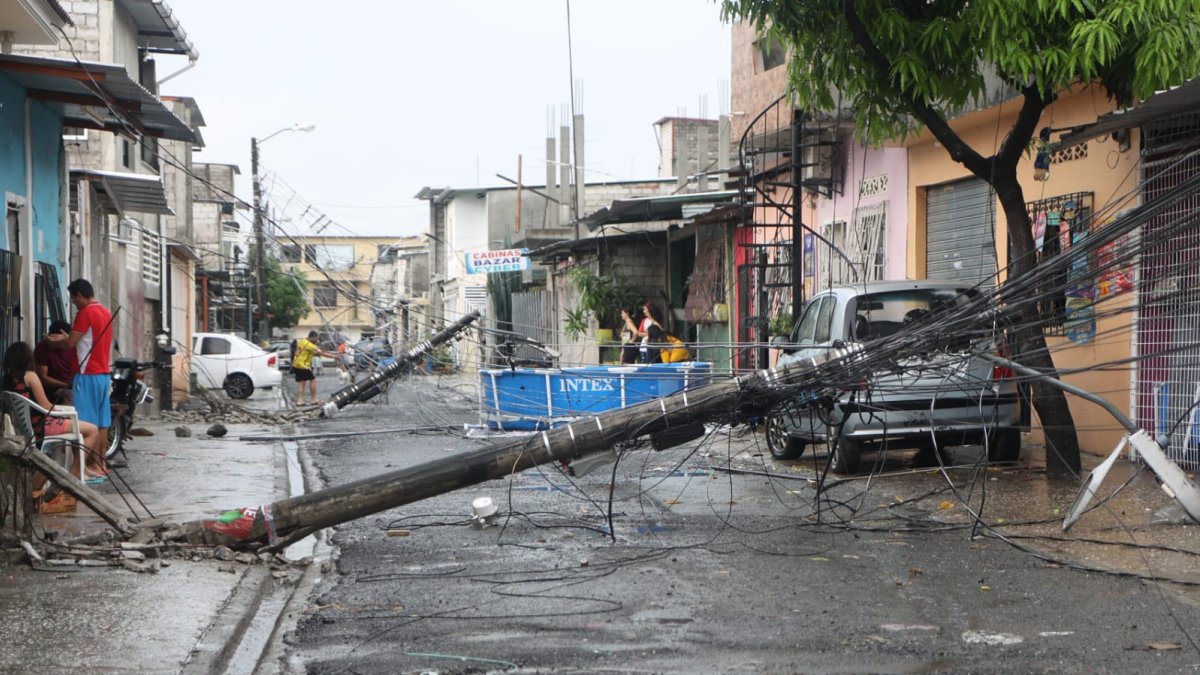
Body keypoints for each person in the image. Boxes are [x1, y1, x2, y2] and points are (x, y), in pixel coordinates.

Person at [3, 341, 100, 480]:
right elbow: (46, 406)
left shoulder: (6, 380)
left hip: (23, 427)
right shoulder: (30, 376)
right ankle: (75, 472)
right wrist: (64, 411)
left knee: (76, 426)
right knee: (92, 430)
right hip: (42, 426)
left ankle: (81, 468)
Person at [46, 278, 113, 478]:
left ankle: (82, 468)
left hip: (87, 375)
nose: (74, 303)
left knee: (84, 425)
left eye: (74, 300)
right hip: (103, 375)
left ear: (80, 296)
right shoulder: (105, 312)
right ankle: (99, 465)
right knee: (102, 424)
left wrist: (52, 342)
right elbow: (82, 338)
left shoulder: (86, 313)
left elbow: (71, 343)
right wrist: (65, 338)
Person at [34, 320, 78, 402]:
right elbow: (43, 377)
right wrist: (66, 385)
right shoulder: (42, 347)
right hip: (53, 388)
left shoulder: (74, 347)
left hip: (74, 384)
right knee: (71, 395)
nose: (54, 343)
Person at [291, 330, 336, 405]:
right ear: (313, 337)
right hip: (303, 366)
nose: (317, 340)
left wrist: (333, 353)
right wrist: (335, 356)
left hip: (296, 364)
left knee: (302, 382)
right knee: (313, 380)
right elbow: (322, 353)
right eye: (317, 338)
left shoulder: (302, 341)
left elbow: (316, 351)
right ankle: (314, 399)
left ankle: (300, 401)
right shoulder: (310, 345)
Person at [621, 301, 664, 365]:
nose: (643, 311)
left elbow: (661, 332)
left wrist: (649, 332)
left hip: (651, 348)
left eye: (645, 309)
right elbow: (639, 333)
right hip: (643, 347)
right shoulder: (644, 321)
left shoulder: (655, 322)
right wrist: (650, 333)